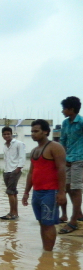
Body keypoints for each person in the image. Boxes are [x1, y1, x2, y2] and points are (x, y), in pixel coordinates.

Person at [22, 120, 67, 251]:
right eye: (32, 131)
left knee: (48, 224)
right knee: (42, 223)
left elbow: (61, 169)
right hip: (37, 192)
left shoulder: (55, 147)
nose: (33, 134)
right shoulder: (34, 150)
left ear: (46, 131)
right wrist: (26, 192)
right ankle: (45, 254)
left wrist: (61, 192)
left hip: (50, 192)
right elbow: (31, 172)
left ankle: (48, 255)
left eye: (36, 131)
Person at [58, 96, 83, 233]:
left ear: (71, 109)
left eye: (64, 109)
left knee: (76, 188)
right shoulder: (65, 123)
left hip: (80, 159)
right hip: (68, 159)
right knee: (67, 186)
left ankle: (73, 221)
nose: (62, 111)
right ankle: (78, 213)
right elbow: (63, 141)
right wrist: (62, 157)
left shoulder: (82, 123)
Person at [0, 126, 26, 220]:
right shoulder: (4, 146)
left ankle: (12, 213)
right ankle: (14, 213)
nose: (6, 135)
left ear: (11, 134)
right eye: (4, 134)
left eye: (8, 134)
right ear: (2, 135)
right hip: (6, 171)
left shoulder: (19, 143)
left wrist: (18, 169)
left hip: (15, 170)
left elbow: (22, 157)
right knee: (13, 192)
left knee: (10, 192)